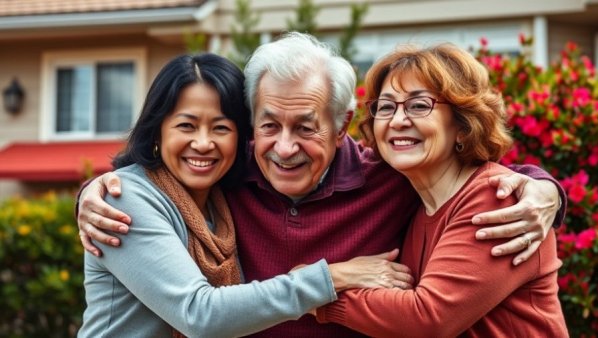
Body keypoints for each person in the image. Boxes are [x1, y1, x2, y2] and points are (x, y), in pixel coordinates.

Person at [76, 33, 566, 338]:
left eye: (306, 128)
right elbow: (158, 187)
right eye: (269, 126)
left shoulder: (390, 179)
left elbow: (467, 176)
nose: (284, 148)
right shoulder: (230, 173)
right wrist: (96, 189)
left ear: (344, 124)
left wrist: (546, 190)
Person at [77, 53, 415, 338]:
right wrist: (336, 276)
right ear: (157, 129)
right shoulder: (121, 198)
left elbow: (445, 170)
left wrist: (472, 206)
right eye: (186, 125)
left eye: (221, 128)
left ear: (341, 127)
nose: (204, 143)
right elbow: (199, 314)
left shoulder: (222, 192)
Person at [314, 43, 568, 336]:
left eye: (419, 106)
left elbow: (428, 319)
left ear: (463, 124)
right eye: (385, 107)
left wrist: (316, 298)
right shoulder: (416, 201)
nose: (397, 121)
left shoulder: (496, 199)